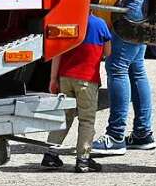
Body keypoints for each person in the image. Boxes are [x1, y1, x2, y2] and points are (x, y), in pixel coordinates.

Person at [91, 0, 155, 156]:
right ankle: (142, 133)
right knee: (136, 67)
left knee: (117, 67)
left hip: (132, 1)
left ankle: (115, 136)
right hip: (144, 0)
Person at [43, 14, 112, 172]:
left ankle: (50, 155)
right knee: (86, 120)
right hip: (87, 79)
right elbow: (108, 52)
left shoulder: (68, 22)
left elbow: (57, 54)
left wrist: (53, 79)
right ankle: (83, 159)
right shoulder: (100, 24)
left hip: (65, 77)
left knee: (64, 116)